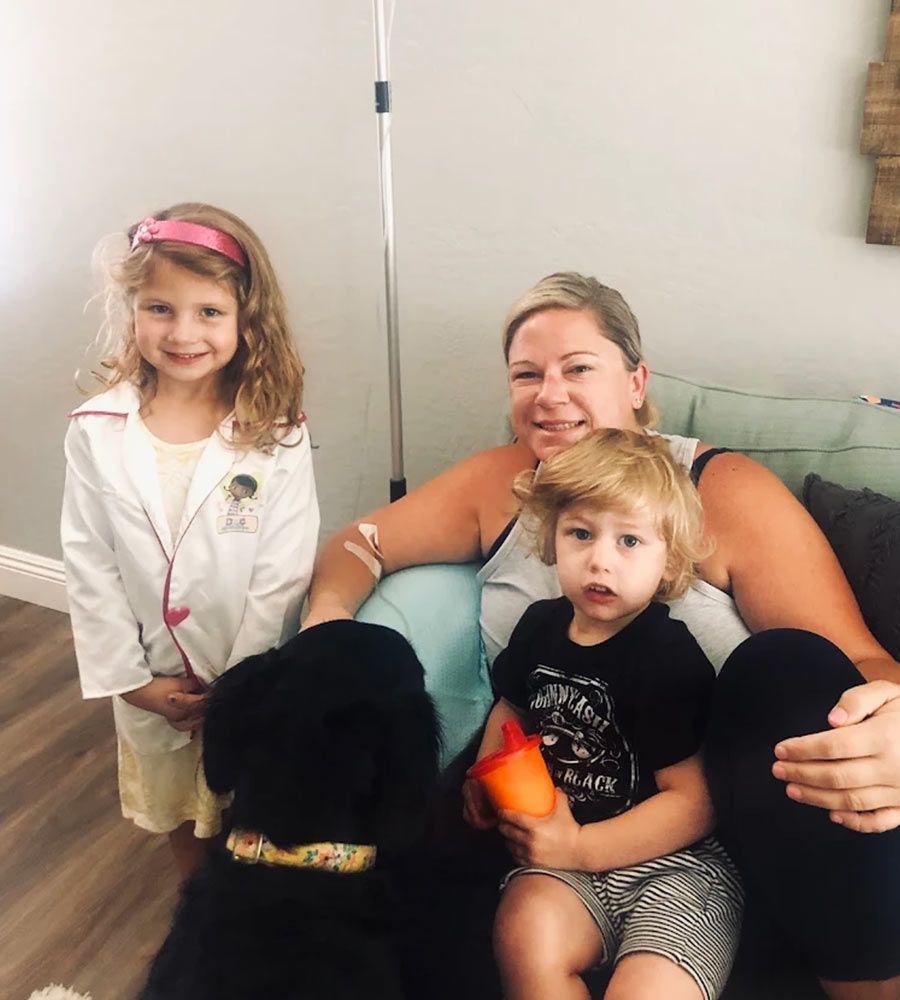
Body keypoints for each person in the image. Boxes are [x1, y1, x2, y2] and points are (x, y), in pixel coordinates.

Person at [307, 272, 900, 999]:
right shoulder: (504, 482)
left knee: (786, 664)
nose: (549, 394)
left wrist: (892, 723)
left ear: (637, 381)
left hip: (719, 826)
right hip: (546, 835)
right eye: (527, 374)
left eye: (578, 368)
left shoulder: (720, 489)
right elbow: (362, 542)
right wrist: (326, 627)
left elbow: (850, 662)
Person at [61, 203, 319, 879]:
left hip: (246, 673)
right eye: (160, 309)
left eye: (209, 312)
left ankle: (249, 911)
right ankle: (198, 907)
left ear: (246, 318)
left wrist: (238, 684)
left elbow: (284, 571)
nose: (183, 333)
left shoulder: (276, 432)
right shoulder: (96, 430)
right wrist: (133, 682)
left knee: (250, 807)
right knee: (179, 811)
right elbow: (90, 562)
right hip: (152, 681)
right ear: (131, 311)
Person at [463, 428, 743, 1000]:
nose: (600, 560)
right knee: (525, 933)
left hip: (674, 868)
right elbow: (511, 709)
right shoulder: (539, 627)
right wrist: (482, 773)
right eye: (581, 533)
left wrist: (581, 848)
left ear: (669, 560)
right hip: (559, 864)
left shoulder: (667, 658)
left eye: (630, 541)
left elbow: (695, 804)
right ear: (552, 540)